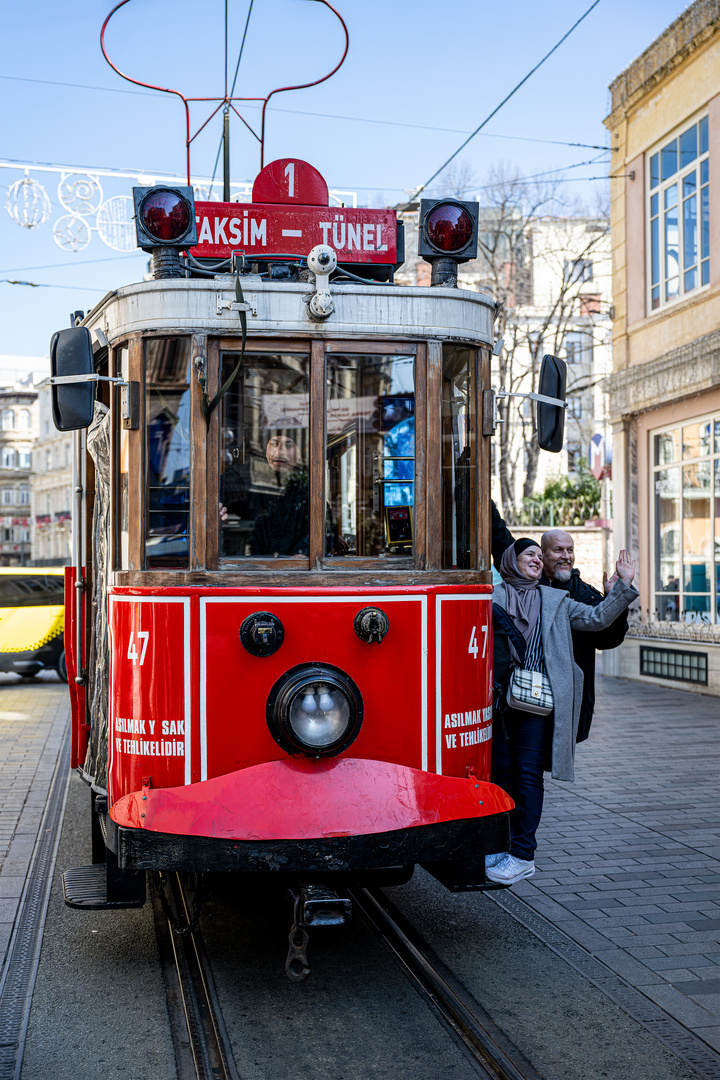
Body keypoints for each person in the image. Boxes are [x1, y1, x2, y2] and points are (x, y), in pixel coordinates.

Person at [486, 538, 637, 886]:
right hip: (497, 704)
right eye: (531, 555)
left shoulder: (556, 600)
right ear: (512, 560)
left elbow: (598, 620)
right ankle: (500, 846)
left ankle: (523, 855)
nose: (538, 561)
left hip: (537, 705)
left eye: (541, 558)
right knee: (501, 774)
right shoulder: (491, 597)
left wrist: (622, 587)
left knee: (527, 776)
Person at [540, 529, 629, 742]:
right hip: (534, 694)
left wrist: (613, 597)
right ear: (542, 554)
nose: (566, 556)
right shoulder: (529, 589)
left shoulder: (584, 594)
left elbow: (608, 639)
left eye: (570, 550)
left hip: (570, 701)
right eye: (558, 550)